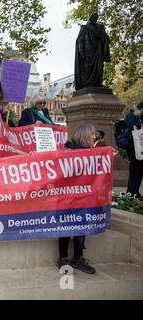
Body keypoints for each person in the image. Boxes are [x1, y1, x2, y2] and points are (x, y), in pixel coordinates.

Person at [58, 123, 117, 274]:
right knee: (66, 227)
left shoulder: (93, 153)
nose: (94, 136)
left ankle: (78, 258)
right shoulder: (67, 150)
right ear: (84, 135)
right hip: (68, 198)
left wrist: (108, 157)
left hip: (84, 198)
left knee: (82, 226)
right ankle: (63, 258)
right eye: (92, 134)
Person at [74, 13, 111, 90]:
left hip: (98, 51)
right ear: (90, 18)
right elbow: (79, 40)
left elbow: (105, 37)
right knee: (88, 68)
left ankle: (98, 83)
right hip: (88, 51)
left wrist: (105, 37)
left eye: (96, 18)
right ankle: (88, 83)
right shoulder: (84, 28)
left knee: (99, 66)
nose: (94, 19)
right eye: (93, 17)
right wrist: (81, 51)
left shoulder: (100, 28)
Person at [123, 101, 143, 200]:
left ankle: (134, 191)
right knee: (136, 170)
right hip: (135, 148)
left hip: (140, 148)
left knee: (139, 172)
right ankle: (132, 192)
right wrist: (137, 113)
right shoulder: (132, 116)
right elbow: (129, 122)